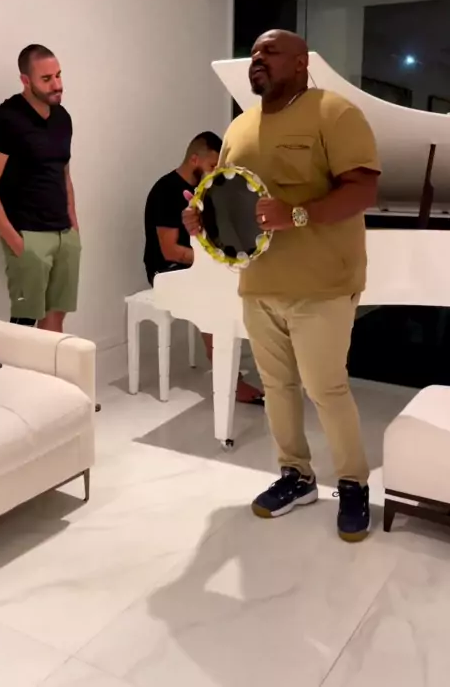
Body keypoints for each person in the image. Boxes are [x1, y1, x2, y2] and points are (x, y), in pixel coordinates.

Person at [183, 29, 381, 542]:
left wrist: (297, 214)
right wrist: (201, 220)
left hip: (323, 284)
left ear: (300, 63)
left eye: (269, 52)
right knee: (276, 387)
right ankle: (296, 475)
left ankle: (353, 483)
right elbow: (229, 197)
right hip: (259, 284)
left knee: (326, 388)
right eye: (253, 53)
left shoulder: (334, 113)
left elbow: (363, 189)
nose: (257, 59)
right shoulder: (239, 127)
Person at [144, 132, 263, 405]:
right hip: (166, 270)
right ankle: (231, 382)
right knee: (214, 296)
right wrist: (212, 263)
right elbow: (170, 251)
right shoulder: (165, 191)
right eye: (211, 166)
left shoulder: (206, 191)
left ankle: (247, 362)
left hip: (194, 267)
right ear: (194, 160)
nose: (214, 173)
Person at [0, 44, 81, 335]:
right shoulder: (5, 120)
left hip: (64, 234)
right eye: (46, 79)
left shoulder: (62, 118)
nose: (56, 85)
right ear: (25, 80)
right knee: (24, 326)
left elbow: (63, 173)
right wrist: (17, 244)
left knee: (56, 317)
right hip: (29, 234)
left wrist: (73, 225)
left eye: (58, 75)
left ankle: (50, 372)